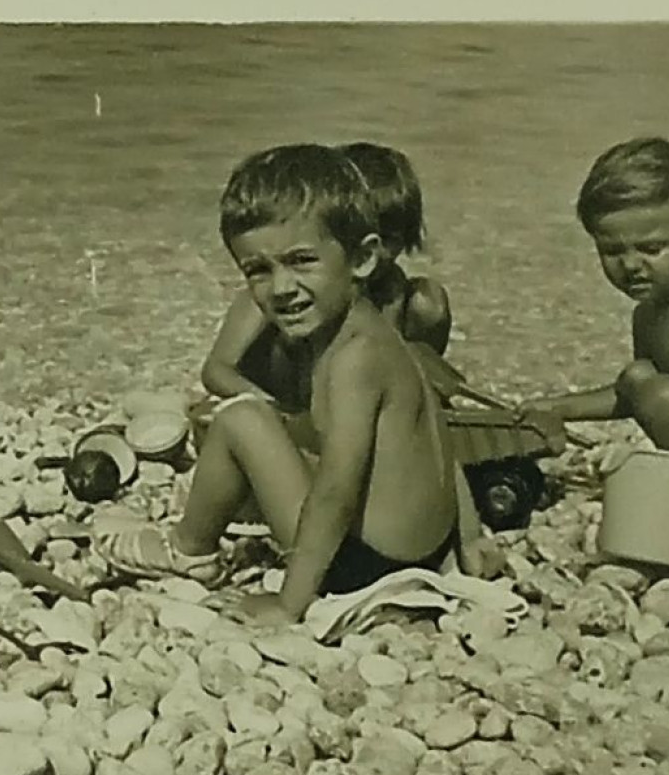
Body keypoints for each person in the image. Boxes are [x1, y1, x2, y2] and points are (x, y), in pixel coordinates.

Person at [95, 144, 459, 628]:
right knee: (280, 429)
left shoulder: (354, 359)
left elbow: (335, 494)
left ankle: (189, 549)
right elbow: (441, 441)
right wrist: (468, 543)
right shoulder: (381, 336)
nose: (282, 288)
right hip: (426, 548)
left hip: (364, 565)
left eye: (301, 261)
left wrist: (289, 604)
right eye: (258, 271)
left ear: (364, 259)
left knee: (241, 418)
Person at [520, 136, 669, 552]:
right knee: (641, 376)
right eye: (611, 250)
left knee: (658, 390)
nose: (630, 265)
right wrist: (556, 407)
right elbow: (633, 396)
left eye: (651, 248)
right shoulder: (647, 313)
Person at [198, 141, 452, 413]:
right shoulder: (278, 293)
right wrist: (272, 408)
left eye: (390, 240)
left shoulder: (407, 300)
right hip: (280, 401)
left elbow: (419, 370)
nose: (380, 254)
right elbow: (216, 370)